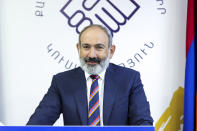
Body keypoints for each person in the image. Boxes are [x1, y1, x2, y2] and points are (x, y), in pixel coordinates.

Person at [27, 24, 153, 126]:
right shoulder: (61, 82)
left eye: (99, 47)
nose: (92, 54)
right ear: (78, 49)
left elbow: (143, 123)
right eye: (86, 47)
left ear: (111, 51)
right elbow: (38, 123)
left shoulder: (130, 79)